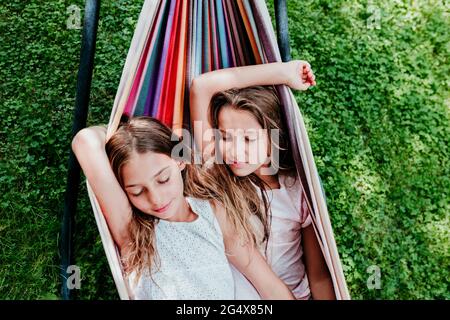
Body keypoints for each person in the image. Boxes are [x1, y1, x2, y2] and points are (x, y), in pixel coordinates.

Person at [71, 116, 294, 300]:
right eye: (137, 192)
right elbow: (85, 141)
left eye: (163, 179)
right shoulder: (133, 231)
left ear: (179, 160)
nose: (156, 199)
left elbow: (265, 281)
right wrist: (123, 134)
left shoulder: (212, 212)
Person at [189, 60, 336, 299]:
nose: (234, 151)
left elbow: (318, 276)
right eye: (225, 137)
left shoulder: (297, 190)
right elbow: (202, 86)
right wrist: (283, 72)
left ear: (274, 139)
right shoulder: (218, 174)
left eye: (248, 140)